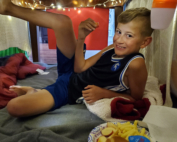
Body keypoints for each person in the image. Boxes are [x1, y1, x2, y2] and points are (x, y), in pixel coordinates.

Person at [0, 0, 154, 117]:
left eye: (129, 35)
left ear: (145, 41)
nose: (119, 39)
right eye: (119, 31)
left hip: (68, 89)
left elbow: (135, 98)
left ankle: (34, 91)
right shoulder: (112, 47)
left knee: (14, 107)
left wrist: (103, 93)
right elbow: (80, 68)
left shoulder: (136, 64)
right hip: (72, 70)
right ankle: (8, 7)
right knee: (63, 21)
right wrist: (81, 38)